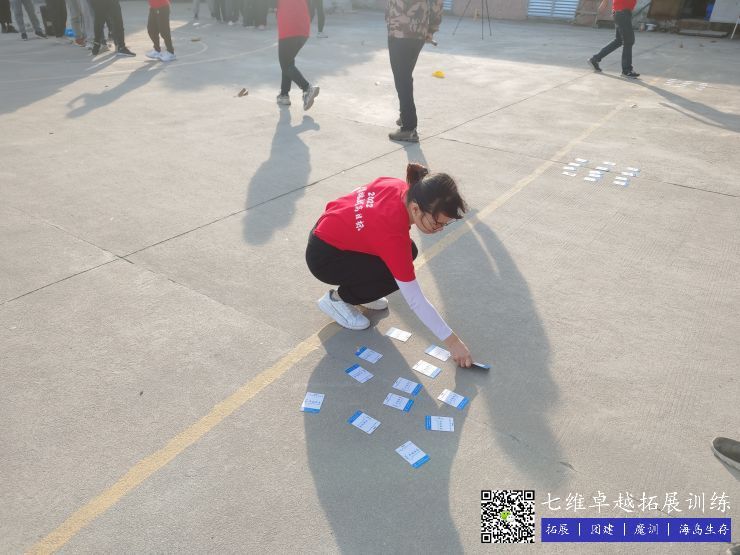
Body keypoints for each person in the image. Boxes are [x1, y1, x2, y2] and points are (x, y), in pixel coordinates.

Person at [306, 163, 474, 367]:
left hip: (327, 230)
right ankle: (338, 300)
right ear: (415, 208)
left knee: (408, 253)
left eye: (445, 224)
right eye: (437, 223)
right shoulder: (392, 235)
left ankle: (360, 292)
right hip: (324, 258)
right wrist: (453, 342)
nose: (440, 229)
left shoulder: (401, 187)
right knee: (397, 272)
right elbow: (415, 299)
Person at [386, 0, 442, 143]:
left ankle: (409, 128)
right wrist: (431, 30)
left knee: (402, 79)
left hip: (400, 32)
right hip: (417, 33)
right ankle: (405, 115)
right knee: (405, 76)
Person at [275, 0, 319, 110]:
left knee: (285, 64)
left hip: (289, 26)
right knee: (288, 61)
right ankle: (284, 95)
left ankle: (307, 88)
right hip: (303, 28)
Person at [587, 0, 640, 78]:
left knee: (618, 41)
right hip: (622, 12)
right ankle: (627, 70)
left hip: (621, 12)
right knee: (628, 41)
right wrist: (605, 3)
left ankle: (595, 59)